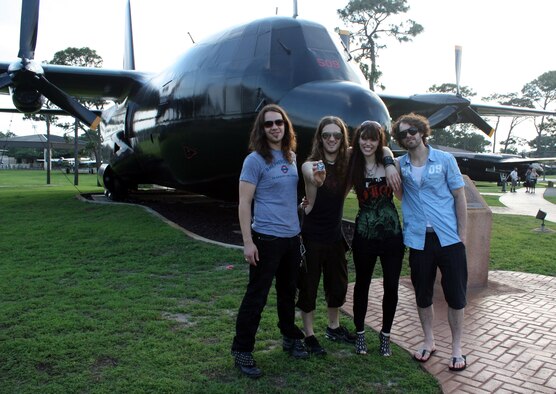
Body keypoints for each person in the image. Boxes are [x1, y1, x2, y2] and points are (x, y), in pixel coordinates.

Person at [231, 104, 308, 379]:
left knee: (288, 293)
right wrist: (248, 242)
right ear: (261, 129)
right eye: (269, 124)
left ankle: (289, 337)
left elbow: (288, 194)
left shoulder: (291, 156)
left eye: (279, 122)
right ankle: (242, 351)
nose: (275, 127)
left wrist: (304, 202)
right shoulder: (254, 161)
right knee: (257, 297)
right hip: (266, 238)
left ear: (286, 126)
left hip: (291, 238)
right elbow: (244, 203)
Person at [392, 113, 468, 372]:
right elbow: (376, 151)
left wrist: (463, 236)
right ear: (400, 140)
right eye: (402, 134)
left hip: (448, 239)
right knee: (423, 294)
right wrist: (390, 164)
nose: (409, 136)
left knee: (456, 296)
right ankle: (429, 340)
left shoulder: (445, 160)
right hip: (418, 240)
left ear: (422, 131)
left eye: (412, 130)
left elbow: (459, 197)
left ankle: (457, 348)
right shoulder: (399, 165)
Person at [296, 116, 354, 356]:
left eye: (337, 135)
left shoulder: (347, 162)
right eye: (326, 135)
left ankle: (333, 327)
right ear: (319, 138)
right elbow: (309, 172)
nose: (332, 139)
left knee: (337, 285)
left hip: (335, 236)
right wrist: (315, 178)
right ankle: (309, 335)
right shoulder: (312, 163)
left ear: (342, 139)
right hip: (312, 236)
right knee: (308, 287)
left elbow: (377, 146)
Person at [346, 120, 404, 357]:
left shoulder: (391, 163)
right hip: (364, 235)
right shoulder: (353, 164)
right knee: (362, 284)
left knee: (391, 285)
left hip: (391, 235)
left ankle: (385, 335)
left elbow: (401, 196)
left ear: (380, 141)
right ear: (358, 139)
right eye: (363, 137)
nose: (367, 143)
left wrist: (390, 162)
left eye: (373, 138)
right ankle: (360, 333)